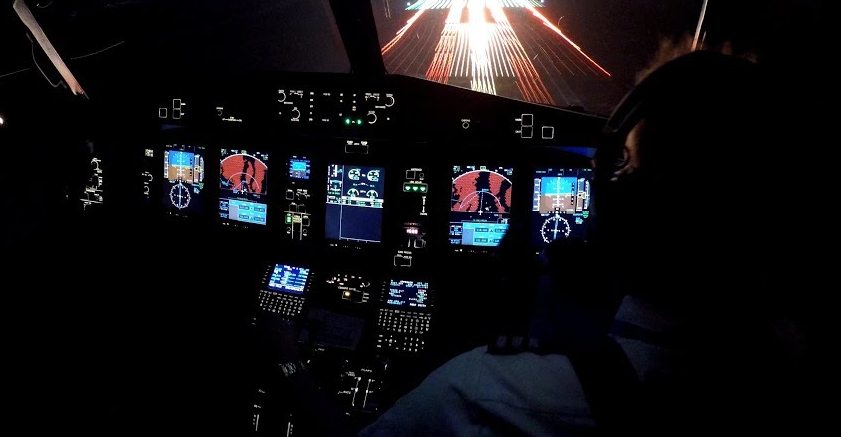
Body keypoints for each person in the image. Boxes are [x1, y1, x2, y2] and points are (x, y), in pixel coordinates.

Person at [263, 50, 809, 435]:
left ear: (621, 209)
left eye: (621, 173)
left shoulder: (485, 393)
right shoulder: (788, 358)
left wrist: (285, 360)